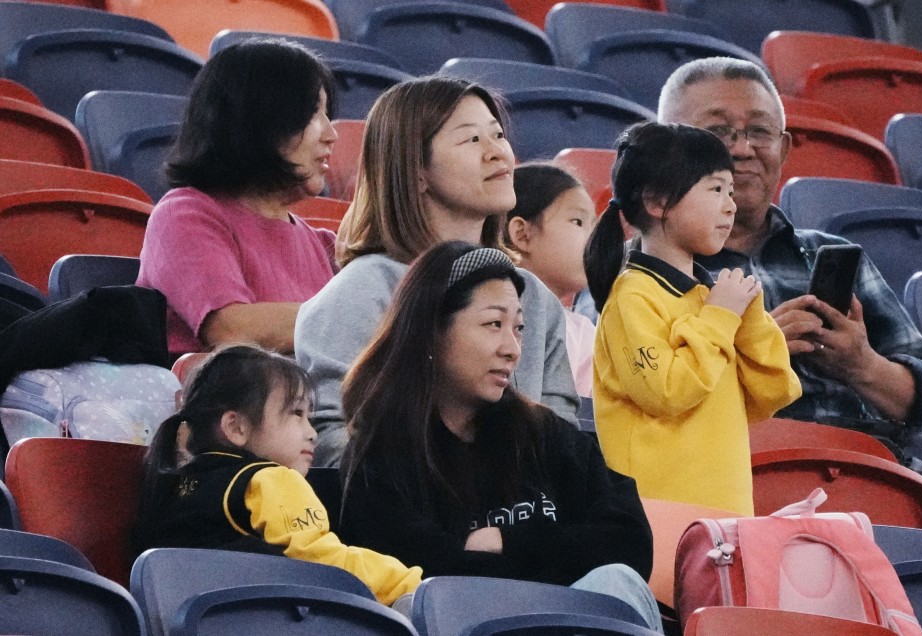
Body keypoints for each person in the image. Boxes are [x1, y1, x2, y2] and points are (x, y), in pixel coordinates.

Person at [338, 241, 661, 631]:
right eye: (494, 324)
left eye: (519, 328)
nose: (512, 349)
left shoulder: (546, 436)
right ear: (431, 330)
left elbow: (630, 544)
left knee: (615, 581)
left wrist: (509, 541)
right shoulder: (382, 459)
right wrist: (559, 554)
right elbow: (426, 576)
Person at [657, 57, 922, 460]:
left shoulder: (831, 256)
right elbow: (637, 405)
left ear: (784, 147)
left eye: (759, 131)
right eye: (717, 132)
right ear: (665, 150)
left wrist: (860, 364)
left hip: (871, 471)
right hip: (730, 477)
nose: (742, 149)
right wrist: (755, 351)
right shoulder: (643, 268)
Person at [295, 77, 579, 468]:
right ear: (415, 170)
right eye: (472, 140)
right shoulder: (363, 290)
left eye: (498, 135)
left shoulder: (535, 297)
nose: (499, 153)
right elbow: (334, 446)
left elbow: (561, 446)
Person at [584, 122, 802, 515]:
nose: (731, 205)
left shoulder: (709, 297)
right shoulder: (631, 296)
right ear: (658, 202)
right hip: (657, 517)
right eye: (716, 189)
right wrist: (720, 318)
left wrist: (747, 320)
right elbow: (667, 391)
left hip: (726, 513)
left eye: (731, 191)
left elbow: (775, 393)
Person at [136, 345, 422, 607]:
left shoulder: (174, 486)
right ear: (236, 427)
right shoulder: (271, 480)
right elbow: (322, 560)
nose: (312, 433)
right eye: (296, 413)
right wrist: (409, 583)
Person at [136, 39, 339, 358]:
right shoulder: (185, 214)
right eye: (312, 114)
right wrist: (357, 319)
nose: (331, 134)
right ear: (258, 121)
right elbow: (231, 330)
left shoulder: (325, 245)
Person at [504, 163, 596, 397]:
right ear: (523, 235)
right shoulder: (485, 314)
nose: (594, 239)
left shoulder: (585, 333)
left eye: (594, 226)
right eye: (578, 221)